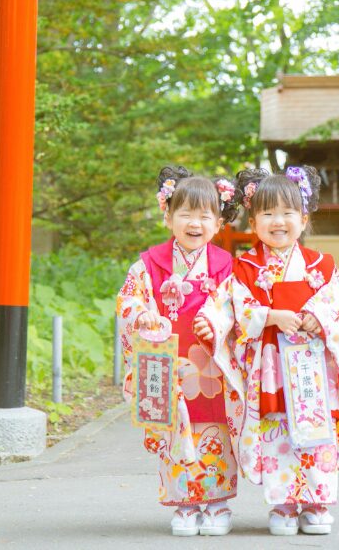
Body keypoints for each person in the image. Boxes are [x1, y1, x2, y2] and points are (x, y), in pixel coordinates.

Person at [193, 166, 339, 536]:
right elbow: (235, 305)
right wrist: (269, 315)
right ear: (253, 221)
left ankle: (316, 501)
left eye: (287, 213)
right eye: (267, 213)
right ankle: (284, 503)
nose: (278, 221)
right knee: (277, 430)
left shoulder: (323, 265)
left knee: (317, 426)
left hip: (312, 365)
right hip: (270, 364)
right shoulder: (246, 267)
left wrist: (319, 317)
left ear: (303, 218)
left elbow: (334, 301)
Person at [116, 166, 240, 537]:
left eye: (205, 216)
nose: (194, 223)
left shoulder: (225, 266)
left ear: (219, 223)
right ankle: (185, 504)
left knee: (215, 428)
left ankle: (217, 502)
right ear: (168, 216)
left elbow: (236, 306)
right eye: (185, 213)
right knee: (176, 432)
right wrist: (142, 316)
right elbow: (127, 300)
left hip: (210, 365)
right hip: (167, 362)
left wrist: (217, 323)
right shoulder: (148, 264)